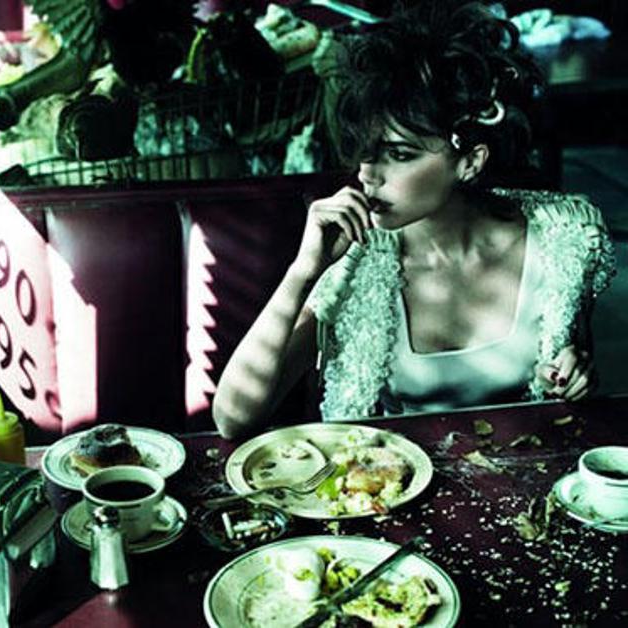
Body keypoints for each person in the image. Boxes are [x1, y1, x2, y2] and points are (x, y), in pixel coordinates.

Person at [212, 1, 616, 439]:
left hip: (520, 471)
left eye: (400, 155)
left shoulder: (562, 241)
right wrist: (302, 272)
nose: (368, 174)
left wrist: (574, 377)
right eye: (366, 152)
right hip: (394, 474)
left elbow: (571, 383)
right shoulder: (358, 261)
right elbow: (233, 417)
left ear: (470, 161)